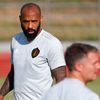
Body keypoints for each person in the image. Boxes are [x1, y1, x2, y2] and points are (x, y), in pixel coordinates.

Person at [0, 3, 66, 100]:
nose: (30, 26)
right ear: (20, 19)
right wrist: (1, 94)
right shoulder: (15, 40)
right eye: (26, 21)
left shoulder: (51, 43)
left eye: (34, 21)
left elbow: (62, 81)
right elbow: (14, 73)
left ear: (41, 19)